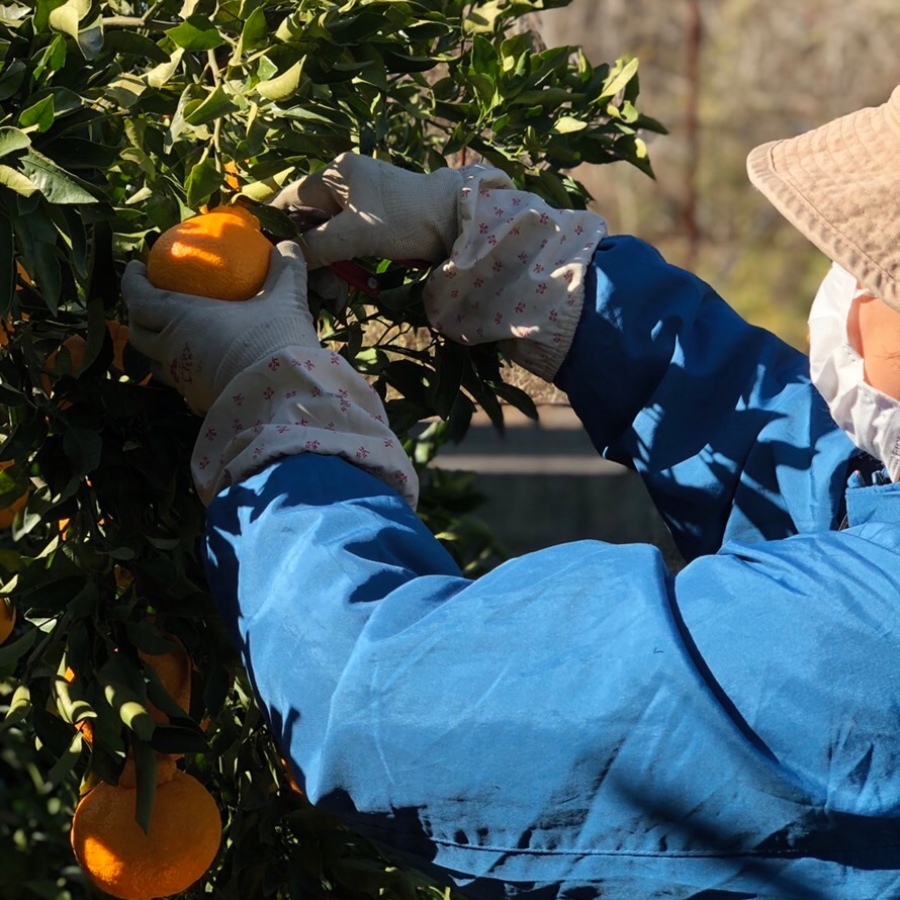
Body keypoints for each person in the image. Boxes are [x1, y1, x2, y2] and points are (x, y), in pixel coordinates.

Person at [123, 87, 900, 899]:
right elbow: (815, 481)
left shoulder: (861, 653)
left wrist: (280, 412)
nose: (843, 282)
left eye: (863, 265)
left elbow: (394, 707)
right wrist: (537, 271)